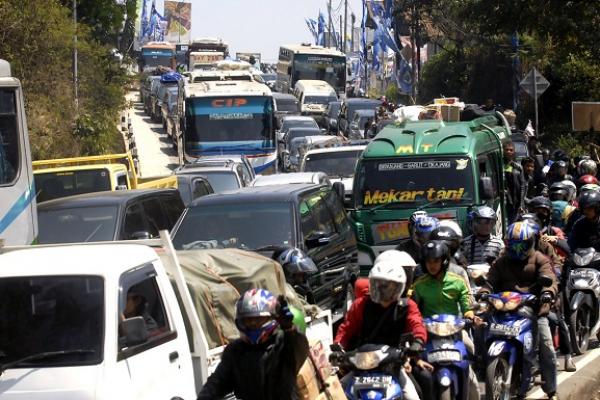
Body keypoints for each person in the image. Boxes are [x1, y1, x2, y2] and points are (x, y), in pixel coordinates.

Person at [481, 222, 559, 400]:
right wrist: (484, 292)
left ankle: (552, 390)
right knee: (479, 328)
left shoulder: (540, 259)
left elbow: (551, 279)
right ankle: (481, 363)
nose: (517, 249)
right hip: (503, 310)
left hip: (533, 310)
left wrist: (547, 293)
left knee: (547, 347)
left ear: (530, 242)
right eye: (513, 244)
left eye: (521, 244)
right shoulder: (501, 262)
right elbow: (489, 281)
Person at [334, 251, 426, 400]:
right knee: (335, 392)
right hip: (361, 364)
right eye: (380, 285)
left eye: (390, 287)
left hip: (393, 364)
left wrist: (418, 342)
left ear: (399, 287)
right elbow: (346, 328)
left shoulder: (407, 306)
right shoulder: (361, 304)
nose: (384, 290)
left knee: (413, 395)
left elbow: (417, 325)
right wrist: (337, 347)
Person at [197, 289, 309, 400]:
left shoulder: (283, 343)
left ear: (272, 317)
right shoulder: (235, 350)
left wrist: (289, 329)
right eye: (248, 320)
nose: (252, 324)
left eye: (258, 319)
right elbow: (217, 382)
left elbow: (299, 349)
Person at [411, 240, 481, 400]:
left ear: (444, 261)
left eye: (435, 261)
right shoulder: (418, 286)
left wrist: (471, 317)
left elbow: (466, 307)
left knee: (472, 365)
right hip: (428, 335)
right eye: (428, 261)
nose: (432, 265)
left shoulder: (457, 282)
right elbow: (413, 311)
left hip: (455, 332)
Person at [503, 141, 526, 221]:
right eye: (506, 150)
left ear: (514, 152)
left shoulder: (518, 168)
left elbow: (522, 186)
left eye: (511, 150)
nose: (509, 152)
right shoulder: (499, 166)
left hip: (514, 203)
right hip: (503, 202)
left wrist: (521, 204)